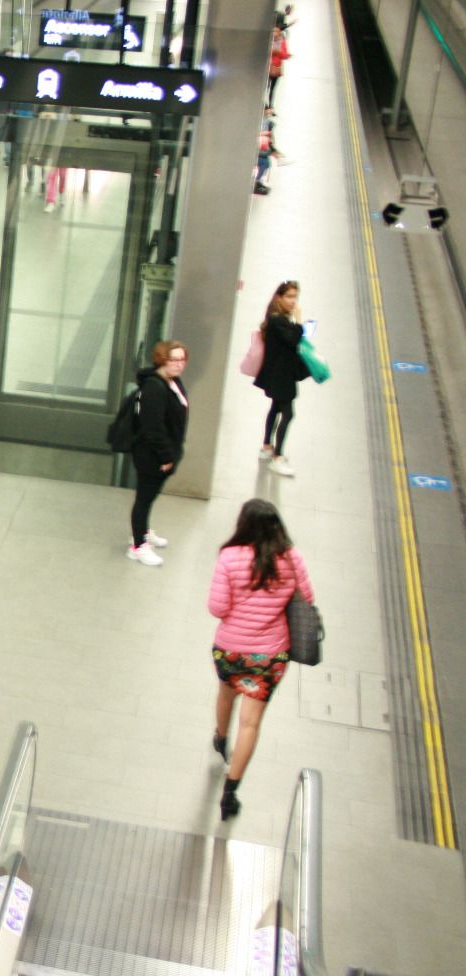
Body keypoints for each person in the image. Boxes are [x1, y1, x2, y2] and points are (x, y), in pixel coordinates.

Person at [209, 499, 315, 820]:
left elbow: (217, 608)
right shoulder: (290, 557)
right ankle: (230, 793)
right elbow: (307, 598)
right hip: (269, 656)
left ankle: (220, 737)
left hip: (230, 650)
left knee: (227, 691)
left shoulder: (229, 557)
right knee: (251, 723)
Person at [126, 339, 190, 567]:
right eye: (174, 359)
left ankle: (142, 532)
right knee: (144, 498)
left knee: (149, 497)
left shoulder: (171, 382)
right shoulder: (155, 387)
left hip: (163, 453)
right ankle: (138, 545)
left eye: (182, 360)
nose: (179, 364)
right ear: (162, 359)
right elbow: (152, 427)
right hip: (152, 456)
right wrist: (166, 456)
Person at [254, 281, 309, 476]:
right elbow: (293, 340)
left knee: (276, 409)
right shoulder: (278, 320)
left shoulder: (276, 318)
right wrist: (299, 322)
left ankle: (267, 447)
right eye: (289, 297)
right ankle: (278, 456)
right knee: (288, 414)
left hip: (277, 374)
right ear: (279, 297)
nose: (293, 301)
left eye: (295, 297)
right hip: (282, 376)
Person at [268, 27, 291, 107]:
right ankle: (266, 105)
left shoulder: (282, 42)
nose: (274, 33)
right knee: (266, 87)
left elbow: (285, 55)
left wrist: (278, 52)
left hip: (275, 69)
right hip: (267, 68)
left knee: (272, 88)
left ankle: (270, 105)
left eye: (276, 32)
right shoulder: (267, 41)